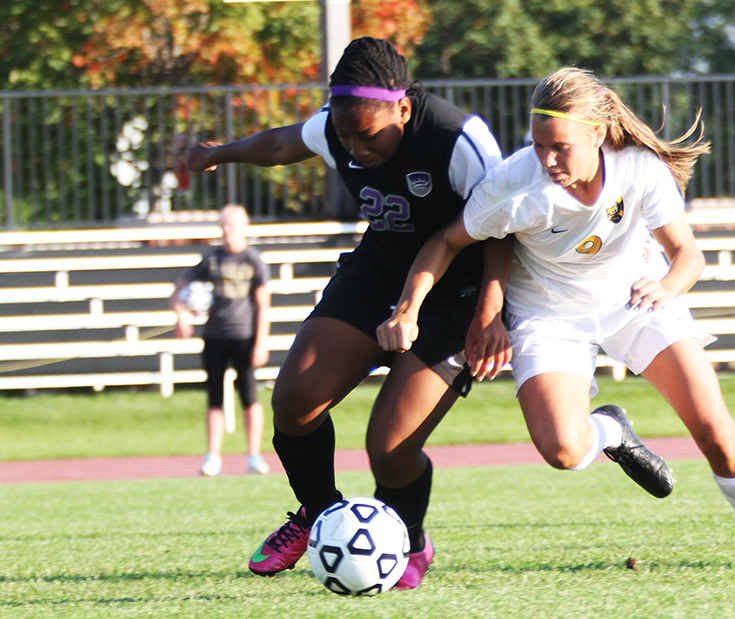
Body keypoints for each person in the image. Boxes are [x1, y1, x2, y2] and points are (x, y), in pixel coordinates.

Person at [379, 67, 735, 578]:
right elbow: (450, 241)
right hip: (549, 316)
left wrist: (666, 287)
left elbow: (687, 255)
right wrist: (413, 308)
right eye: (539, 145)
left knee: (715, 432)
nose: (548, 159)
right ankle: (610, 431)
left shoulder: (639, 169)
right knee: (563, 449)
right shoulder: (516, 182)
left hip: (637, 301)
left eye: (560, 146)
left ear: (598, 134)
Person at [184, 38, 508, 589]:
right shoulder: (341, 126)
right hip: (378, 272)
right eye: (343, 135)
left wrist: (490, 317)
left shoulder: (460, 140)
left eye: (367, 135)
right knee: (293, 402)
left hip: (459, 294)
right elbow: (284, 143)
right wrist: (220, 152)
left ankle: (407, 539)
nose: (354, 150)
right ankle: (319, 513)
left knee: (390, 446)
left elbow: (505, 229)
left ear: (403, 108)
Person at [170, 203, 272, 477]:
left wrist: (261, 341)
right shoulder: (212, 259)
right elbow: (177, 292)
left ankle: (253, 455)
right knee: (214, 398)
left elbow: (263, 304)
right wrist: (182, 314)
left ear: (243, 228)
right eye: (223, 225)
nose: (226, 231)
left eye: (231, 225)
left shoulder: (253, 261)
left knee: (249, 396)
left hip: (245, 336)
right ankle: (212, 456)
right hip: (215, 336)